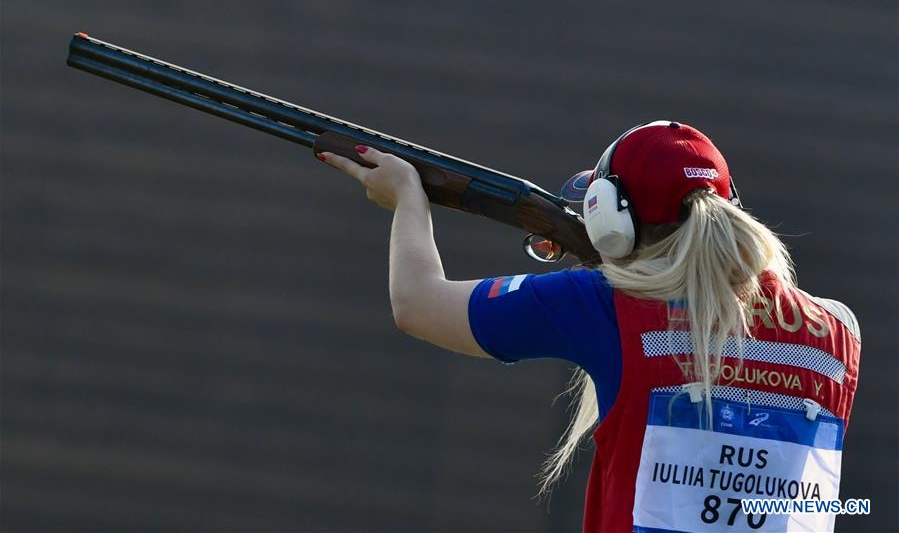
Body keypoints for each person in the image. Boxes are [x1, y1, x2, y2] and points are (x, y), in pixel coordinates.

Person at [318, 120, 860, 533]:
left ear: (611, 221)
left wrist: (407, 198)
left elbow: (416, 302)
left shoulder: (605, 306)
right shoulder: (839, 332)